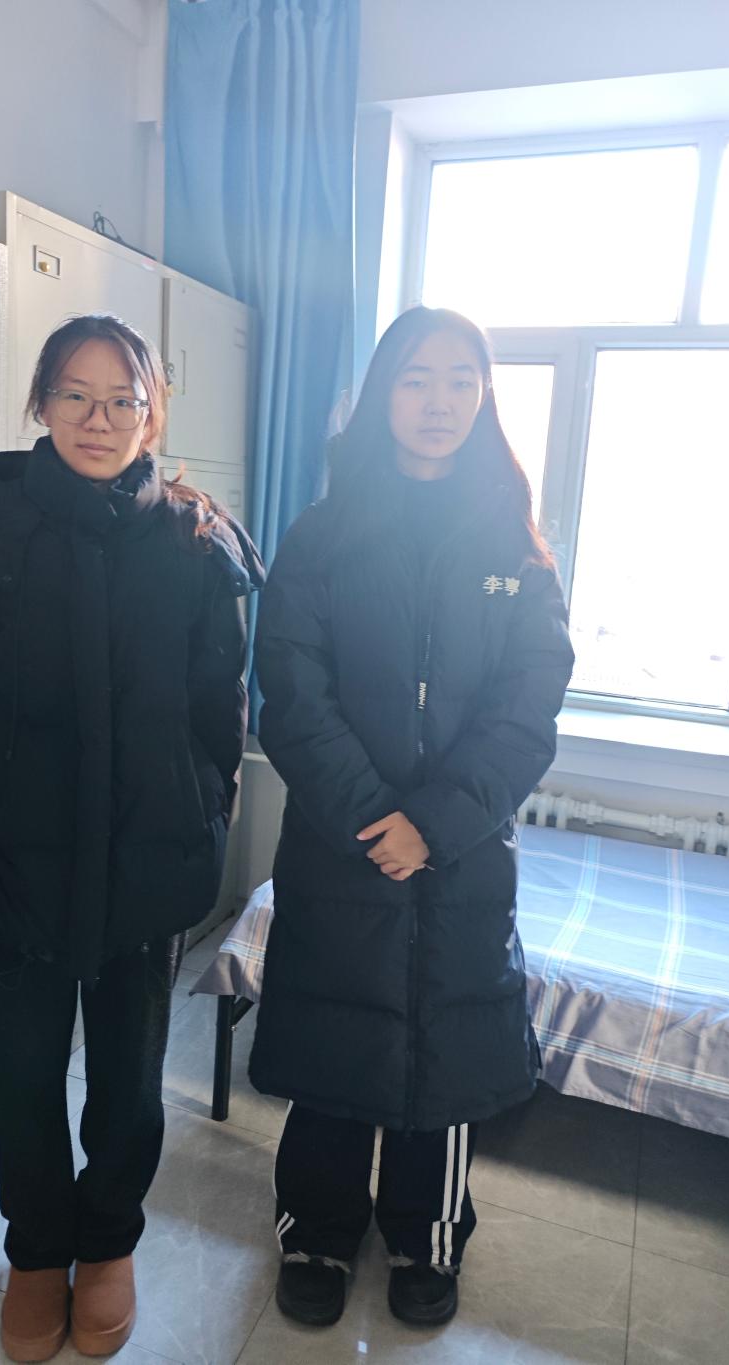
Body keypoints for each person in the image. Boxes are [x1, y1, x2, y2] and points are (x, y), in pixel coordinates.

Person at [0, 314, 263, 1363]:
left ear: (153, 413)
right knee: (22, 1077)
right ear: (40, 402)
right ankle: (38, 1251)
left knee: (130, 1086)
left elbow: (218, 712)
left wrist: (204, 823)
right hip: (4, 858)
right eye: (75, 395)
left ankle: (109, 1244)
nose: (98, 419)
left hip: (144, 867)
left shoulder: (194, 539)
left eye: (122, 399)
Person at [248, 306, 574, 1330]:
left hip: (461, 854)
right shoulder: (323, 533)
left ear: (485, 397)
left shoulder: (515, 542)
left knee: (446, 1054)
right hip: (341, 846)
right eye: (416, 378)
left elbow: (529, 709)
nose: (439, 401)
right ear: (380, 394)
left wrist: (433, 824)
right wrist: (372, 817)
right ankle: (315, 1228)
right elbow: (290, 695)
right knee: (333, 1045)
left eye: (461, 380)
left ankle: (427, 1235)